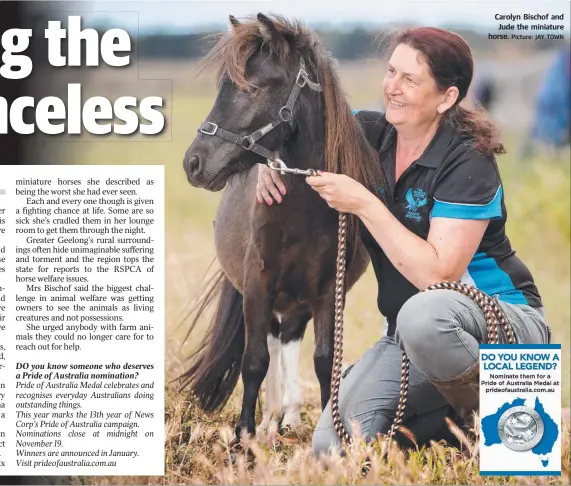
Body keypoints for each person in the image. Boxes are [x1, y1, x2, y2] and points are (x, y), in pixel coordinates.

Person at [255, 26, 552, 457]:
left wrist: (366, 204)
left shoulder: (468, 158)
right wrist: (274, 163)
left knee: (423, 316)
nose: (392, 87)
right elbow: (299, 138)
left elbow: (439, 275)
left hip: (502, 325)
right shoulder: (368, 136)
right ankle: (454, 427)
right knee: (331, 447)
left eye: (409, 80)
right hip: (409, 336)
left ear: (447, 97)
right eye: (391, 71)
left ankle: (516, 416)